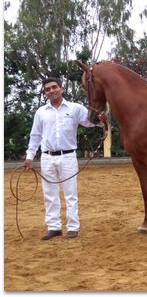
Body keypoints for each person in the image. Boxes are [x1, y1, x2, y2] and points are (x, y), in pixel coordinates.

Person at [23, 77, 106, 240]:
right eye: (48, 89)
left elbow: (90, 122)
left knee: (70, 193)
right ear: (45, 93)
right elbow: (35, 136)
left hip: (68, 156)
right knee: (49, 194)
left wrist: (101, 122)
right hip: (47, 157)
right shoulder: (41, 112)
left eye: (54, 87)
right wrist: (29, 156)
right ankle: (54, 227)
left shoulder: (75, 109)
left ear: (61, 89)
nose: (51, 90)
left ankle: (73, 227)